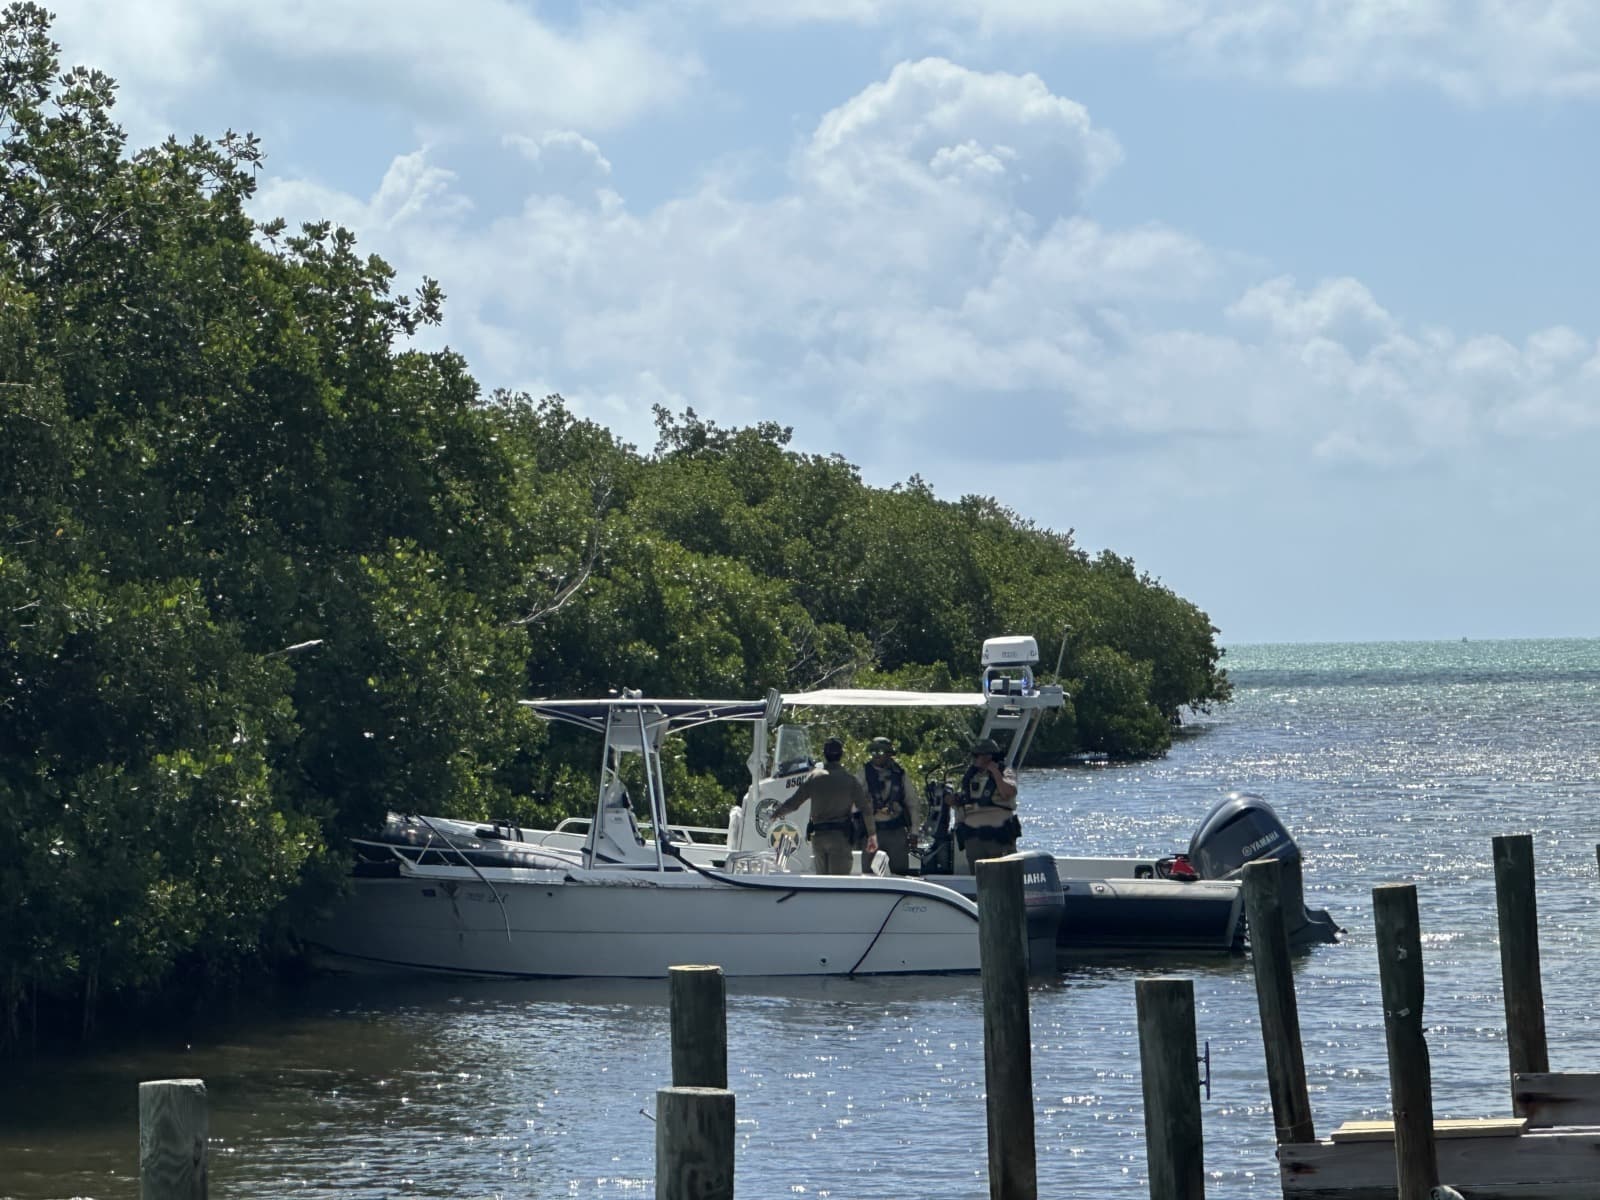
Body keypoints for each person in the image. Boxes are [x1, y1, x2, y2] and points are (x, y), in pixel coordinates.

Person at [773, 736, 876, 875]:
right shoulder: (850, 780)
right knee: (838, 884)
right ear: (841, 755)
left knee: (822, 882)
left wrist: (776, 814)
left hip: (819, 837)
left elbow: (793, 803)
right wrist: (872, 835)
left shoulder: (814, 778)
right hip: (840, 838)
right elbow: (866, 809)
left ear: (824, 755)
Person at [952, 737, 1020, 872]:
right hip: (974, 836)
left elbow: (1009, 792)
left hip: (998, 836)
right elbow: (965, 800)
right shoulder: (971, 775)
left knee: (1001, 873)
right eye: (974, 755)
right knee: (977, 874)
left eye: (978, 755)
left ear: (989, 756)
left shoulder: (1005, 772)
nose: (975, 759)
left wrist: (995, 773)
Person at [857, 735, 918, 875]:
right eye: (873, 752)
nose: (876, 756)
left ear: (889, 754)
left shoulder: (900, 774)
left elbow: (912, 803)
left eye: (880, 752)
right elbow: (853, 799)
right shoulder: (864, 773)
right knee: (868, 873)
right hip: (872, 832)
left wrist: (914, 832)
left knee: (899, 872)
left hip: (895, 830)